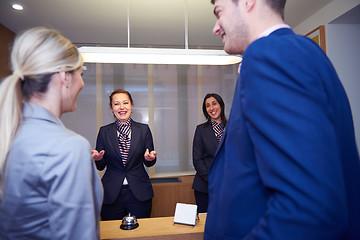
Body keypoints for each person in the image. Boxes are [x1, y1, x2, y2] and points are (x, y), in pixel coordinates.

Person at [205, 0, 360, 239]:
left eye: (219, 12)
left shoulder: (269, 55)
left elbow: (309, 209)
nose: (216, 28)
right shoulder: (304, 52)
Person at [0, 27, 103, 239]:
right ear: (65, 76)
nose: (82, 84)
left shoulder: (8, 133)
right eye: (81, 74)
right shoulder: (68, 147)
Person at [92, 89, 157, 220]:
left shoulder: (143, 129)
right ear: (111, 108)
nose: (121, 107)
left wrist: (150, 159)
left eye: (125, 103)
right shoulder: (104, 131)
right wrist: (98, 159)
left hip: (139, 192)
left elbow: (149, 160)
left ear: (131, 105)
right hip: (111, 193)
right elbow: (101, 166)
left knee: (142, 233)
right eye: (116, 104)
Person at [192, 93, 227, 213]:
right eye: (207, 106)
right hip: (205, 186)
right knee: (205, 225)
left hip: (229, 185)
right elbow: (197, 159)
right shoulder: (201, 130)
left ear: (221, 105)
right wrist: (213, 179)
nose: (211, 108)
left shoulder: (232, 128)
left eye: (214, 104)